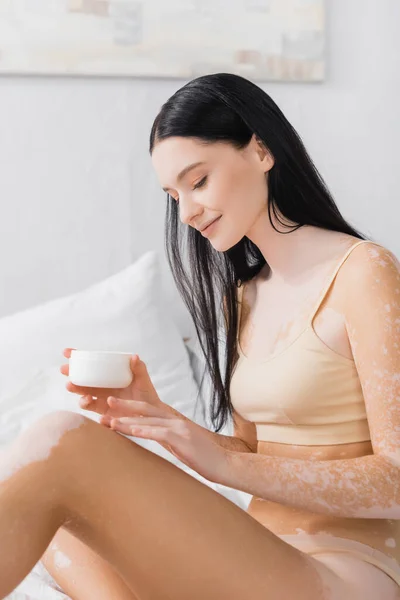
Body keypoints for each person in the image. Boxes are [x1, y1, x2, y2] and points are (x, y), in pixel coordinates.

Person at [0, 73, 399, 600]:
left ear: (261, 150)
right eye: (173, 194)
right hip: (258, 555)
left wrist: (225, 463)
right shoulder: (246, 295)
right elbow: (254, 451)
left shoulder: (363, 271)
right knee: (56, 518)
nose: (186, 213)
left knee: (60, 442)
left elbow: (395, 480)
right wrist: (164, 421)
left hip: (344, 572)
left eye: (198, 181)